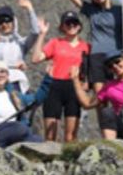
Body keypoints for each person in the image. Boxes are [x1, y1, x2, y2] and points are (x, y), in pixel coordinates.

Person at [30, 0, 123, 89]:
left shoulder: (120, 10)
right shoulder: (91, 11)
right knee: (100, 95)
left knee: (121, 89)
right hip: (97, 56)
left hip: (118, 54)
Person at [30, 11, 91, 142]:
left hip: (74, 88)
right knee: (50, 136)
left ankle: (70, 161)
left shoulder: (87, 47)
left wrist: (88, 83)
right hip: (54, 87)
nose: (71, 26)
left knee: (70, 136)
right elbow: (35, 58)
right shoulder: (55, 42)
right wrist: (42, 34)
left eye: (74, 23)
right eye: (68, 23)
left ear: (79, 26)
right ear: (62, 27)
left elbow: (92, 69)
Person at [0, 0, 40, 93]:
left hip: (17, 83)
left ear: (14, 22)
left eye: (7, 20)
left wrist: (30, 9)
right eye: (0, 21)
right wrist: (13, 66)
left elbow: (35, 32)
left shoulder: (21, 43)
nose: (4, 24)